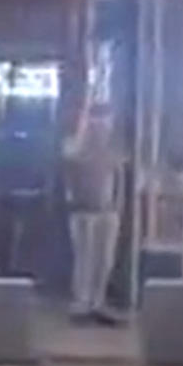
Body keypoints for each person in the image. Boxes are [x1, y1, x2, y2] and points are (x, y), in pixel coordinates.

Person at [64, 101, 124, 325]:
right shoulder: (76, 147)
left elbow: (118, 179)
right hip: (84, 212)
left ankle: (98, 302)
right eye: (97, 120)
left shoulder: (113, 150)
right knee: (85, 259)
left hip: (107, 211)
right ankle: (82, 303)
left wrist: (117, 207)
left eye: (106, 120)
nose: (103, 126)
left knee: (105, 260)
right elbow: (72, 163)